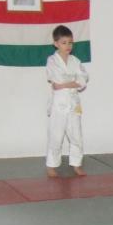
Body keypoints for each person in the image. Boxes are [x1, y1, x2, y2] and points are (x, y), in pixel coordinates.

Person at [45, 25, 89, 177]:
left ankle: (76, 164)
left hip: (73, 103)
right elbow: (57, 79)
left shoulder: (75, 61)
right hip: (59, 103)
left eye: (70, 42)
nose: (68, 46)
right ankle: (51, 165)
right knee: (56, 136)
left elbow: (83, 80)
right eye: (64, 43)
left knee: (77, 135)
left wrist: (65, 84)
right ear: (56, 43)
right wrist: (72, 81)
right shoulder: (52, 60)